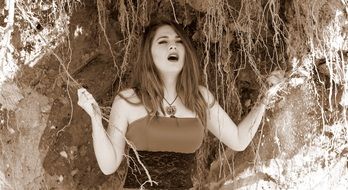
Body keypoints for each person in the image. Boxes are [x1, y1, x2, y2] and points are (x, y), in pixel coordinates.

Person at [77, 19, 283, 189]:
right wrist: (95, 118)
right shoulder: (128, 101)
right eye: (163, 41)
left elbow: (238, 140)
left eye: (178, 41)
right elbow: (108, 165)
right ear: (148, 54)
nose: (173, 45)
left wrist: (264, 99)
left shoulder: (199, 98)